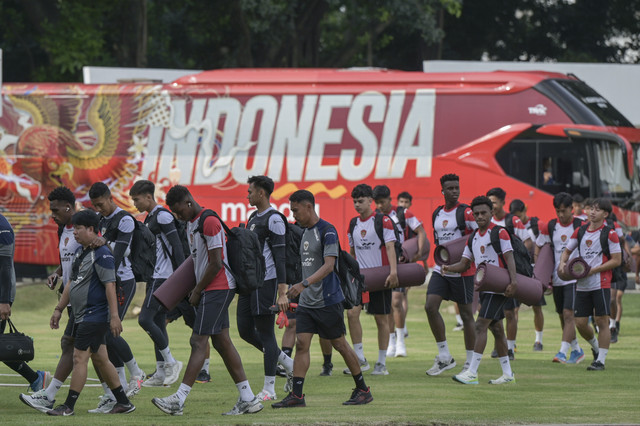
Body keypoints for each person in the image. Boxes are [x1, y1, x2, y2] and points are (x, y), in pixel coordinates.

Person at [152, 185, 262, 416]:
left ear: (189, 202)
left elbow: (216, 263)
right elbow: (197, 261)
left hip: (219, 287)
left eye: (178, 210)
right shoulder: (192, 224)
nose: (176, 215)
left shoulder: (208, 221)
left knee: (197, 341)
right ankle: (248, 398)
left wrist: (197, 290)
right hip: (210, 288)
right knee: (221, 342)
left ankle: (178, 399)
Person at [271, 189, 373, 408]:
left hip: (328, 300)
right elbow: (305, 267)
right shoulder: (304, 232)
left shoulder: (327, 231)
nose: (293, 215)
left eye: (295, 210)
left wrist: (303, 284)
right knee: (302, 344)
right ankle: (297, 395)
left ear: (309, 207)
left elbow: (329, 266)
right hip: (308, 302)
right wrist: (293, 289)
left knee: (340, 345)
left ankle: (363, 390)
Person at [42, 210, 135, 415]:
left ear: (91, 229)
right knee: (101, 358)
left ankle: (68, 406)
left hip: (95, 315)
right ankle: (123, 402)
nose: (74, 232)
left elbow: (110, 285)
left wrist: (114, 316)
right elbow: (71, 283)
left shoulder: (102, 254)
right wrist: (58, 309)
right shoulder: (81, 252)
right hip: (82, 314)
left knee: (79, 358)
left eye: (78, 228)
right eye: (73, 228)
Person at [19, 187, 84, 412]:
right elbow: (67, 261)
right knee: (95, 350)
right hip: (71, 296)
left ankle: (49, 395)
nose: (52, 215)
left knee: (73, 346)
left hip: (82, 298)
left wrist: (59, 307)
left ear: (68, 206)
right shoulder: (61, 230)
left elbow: (86, 262)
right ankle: (120, 396)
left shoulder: (82, 228)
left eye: (55, 210)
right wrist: (57, 273)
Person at [444, 196, 517, 385]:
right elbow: (464, 263)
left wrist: (513, 282)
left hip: (499, 288)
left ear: (492, 213)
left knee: (480, 325)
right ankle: (508, 374)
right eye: (476, 214)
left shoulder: (500, 233)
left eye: (483, 213)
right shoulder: (473, 237)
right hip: (485, 288)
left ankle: (472, 372)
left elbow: (509, 258)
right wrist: (448, 268)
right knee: (497, 329)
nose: (479, 217)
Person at [89, 182, 146, 407]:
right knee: (104, 334)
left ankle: (136, 373)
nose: (98, 209)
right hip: (106, 280)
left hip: (122, 280)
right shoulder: (99, 219)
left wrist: (103, 244)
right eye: (94, 205)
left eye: (100, 204)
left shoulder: (124, 219)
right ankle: (118, 386)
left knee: (108, 331)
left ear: (109, 198)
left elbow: (119, 255)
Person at [242, 175, 294, 400]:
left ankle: (269, 389)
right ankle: (289, 363)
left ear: (261, 193)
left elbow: (280, 257)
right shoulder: (253, 217)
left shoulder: (274, 219)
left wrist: (282, 291)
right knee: (244, 330)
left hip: (267, 282)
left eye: (250, 191)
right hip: (249, 282)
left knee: (266, 332)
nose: (248, 194)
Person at [128, 180, 184, 387]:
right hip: (156, 275)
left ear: (149, 197)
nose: (135, 204)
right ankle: (161, 372)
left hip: (165, 276)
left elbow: (177, 245)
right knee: (159, 322)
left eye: (137, 199)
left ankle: (171, 363)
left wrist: (180, 277)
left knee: (145, 319)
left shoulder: (162, 215)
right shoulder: (151, 217)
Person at [559, 198, 621, 371]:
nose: (592, 212)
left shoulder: (610, 233)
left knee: (601, 320)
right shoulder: (580, 231)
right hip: (582, 284)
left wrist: (595, 270)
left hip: (601, 282)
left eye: (597, 210)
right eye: (590, 209)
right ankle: (595, 348)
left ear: (605, 214)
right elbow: (567, 251)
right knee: (579, 322)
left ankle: (600, 361)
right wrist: (562, 264)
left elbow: (617, 260)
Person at [425, 174, 477, 376]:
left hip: (463, 271)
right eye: (450, 188)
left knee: (466, 315)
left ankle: (471, 361)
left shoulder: (467, 213)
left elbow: (476, 237)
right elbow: (439, 242)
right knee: (430, 306)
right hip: (441, 270)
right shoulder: (437, 213)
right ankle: (445, 356)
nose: (454, 191)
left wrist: (466, 260)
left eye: (457, 187)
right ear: (442, 191)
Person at [347, 184, 399, 375]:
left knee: (381, 319)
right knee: (352, 314)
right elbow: (352, 253)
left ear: (370, 200)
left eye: (360, 201)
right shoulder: (353, 223)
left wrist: (393, 272)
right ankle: (360, 359)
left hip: (380, 277)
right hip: (360, 278)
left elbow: (391, 247)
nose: (357, 205)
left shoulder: (382, 220)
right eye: (354, 202)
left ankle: (381, 362)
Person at [373, 185, 427, 358]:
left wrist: (417, 252)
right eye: (377, 203)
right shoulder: (376, 216)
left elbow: (421, 231)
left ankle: (401, 341)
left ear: (390, 199)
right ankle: (390, 341)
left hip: (400, 262)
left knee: (397, 300)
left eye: (382, 202)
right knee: (388, 304)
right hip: (382, 263)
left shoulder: (403, 214)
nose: (380, 206)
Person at [1, 214, 51, 393]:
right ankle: (35, 378)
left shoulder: (2, 227)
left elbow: (5, 266)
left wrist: (4, 301)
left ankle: (36, 378)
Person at [534, 192, 585, 364]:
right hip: (557, 279)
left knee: (568, 313)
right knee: (563, 317)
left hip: (574, 278)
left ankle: (562, 352)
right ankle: (577, 350)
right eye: (558, 211)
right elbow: (539, 248)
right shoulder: (550, 226)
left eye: (564, 211)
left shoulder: (580, 225)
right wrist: (542, 274)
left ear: (572, 209)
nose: (561, 215)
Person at [486, 187, 532, 360]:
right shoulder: (486, 221)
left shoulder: (512, 221)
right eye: (489, 202)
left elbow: (528, 243)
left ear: (503, 203)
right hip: (491, 274)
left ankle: (510, 348)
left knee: (510, 313)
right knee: (488, 313)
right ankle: (499, 344)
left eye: (495, 202)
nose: (492, 206)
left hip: (509, 273)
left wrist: (513, 257)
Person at [509, 199, 545, 352]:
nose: (518, 218)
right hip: (516, 271)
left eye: (520, 215)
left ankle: (539, 340)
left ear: (525, 211)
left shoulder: (536, 226)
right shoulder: (511, 225)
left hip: (532, 272)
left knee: (537, 307)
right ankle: (513, 343)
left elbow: (543, 247)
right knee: (513, 309)